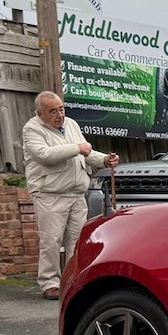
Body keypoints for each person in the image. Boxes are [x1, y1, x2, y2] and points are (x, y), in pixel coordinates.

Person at [22, 91, 118, 300]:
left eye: (61, 109)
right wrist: (77, 148)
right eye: (53, 111)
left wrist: (104, 160)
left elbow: (86, 152)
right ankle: (50, 283)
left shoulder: (71, 124)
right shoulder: (32, 129)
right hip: (50, 194)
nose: (60, 114)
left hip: (76, 193)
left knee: (77, 241)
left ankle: (73, 281)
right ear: (40, 113)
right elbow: (45, 155)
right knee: (51, 241)